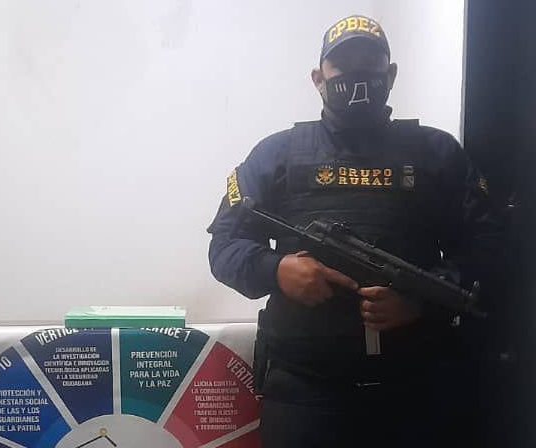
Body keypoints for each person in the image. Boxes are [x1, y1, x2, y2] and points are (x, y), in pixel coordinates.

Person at [207, 15, 501, 447]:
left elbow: (487, 249)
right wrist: (277, 270)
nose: (358, 77)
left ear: (391, 74)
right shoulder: (276, 155)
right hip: (304, 392)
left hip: (417, 391)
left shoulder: (437, 153)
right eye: (343, 67)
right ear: (318, 79)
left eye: (370, 65)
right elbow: (225, 245)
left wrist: (422, 301)